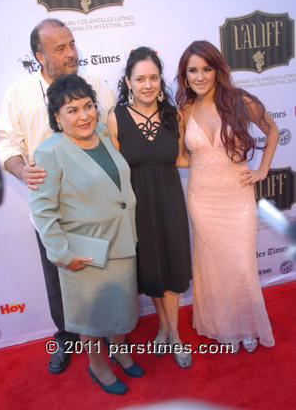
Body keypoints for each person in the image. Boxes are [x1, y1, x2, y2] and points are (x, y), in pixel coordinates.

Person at [0, 18, 116, 373]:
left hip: (98, 206)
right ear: (39, 56)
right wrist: (21, 169)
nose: (71, 53)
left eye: (72, 44)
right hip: (51, 209)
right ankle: (66, 336)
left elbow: (113, 131)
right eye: (60, 48)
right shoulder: (18, 94)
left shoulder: (95, 84)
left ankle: (109, 332)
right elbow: (5, 143)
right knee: (57, 276)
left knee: (103, 270)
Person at [30, 74, 142, 394]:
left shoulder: (104, 135)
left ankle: (119, 352)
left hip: (121, 241)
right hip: (85, 250)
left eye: (88, 106)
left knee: (121, 308)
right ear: (56, 117)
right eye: (72, 110)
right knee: (91, 319)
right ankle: (97, 366)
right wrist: (62, 255)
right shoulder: (49, 151)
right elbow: (42, 210)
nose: (83, 116)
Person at [175, 40, 278, 353]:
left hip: (237, 196)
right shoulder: (184, 111)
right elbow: (180, 158)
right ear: (185, 76)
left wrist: (261, 170)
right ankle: (223, 328)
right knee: (213, 266)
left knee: (241, 264)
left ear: (217, 70)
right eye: (193, 70)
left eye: (206, 68)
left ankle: (246, 325)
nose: (200, 76)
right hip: (202, 199)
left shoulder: (239, 100)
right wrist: (209, 161)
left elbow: (271, 129)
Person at [107, 47, 192, 368]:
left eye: (153, 77)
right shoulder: (115, 120)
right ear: (128, 81)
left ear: (161, 80)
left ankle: (173, 334)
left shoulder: (176, 116)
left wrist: (216, 161)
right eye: (140, 78)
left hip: (170, 200)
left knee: (172, 268)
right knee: (154, 270)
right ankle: (165, 328)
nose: (147, 84)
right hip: (137, 207)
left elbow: (182, 158)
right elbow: (112, 170)